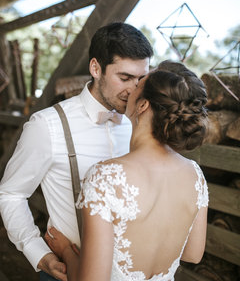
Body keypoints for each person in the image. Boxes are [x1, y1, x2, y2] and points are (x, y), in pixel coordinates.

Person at [0, 22, 153, 281]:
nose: (134, 89)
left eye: (141, 79)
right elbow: (11, 194)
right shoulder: (48, 125)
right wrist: (39, 253)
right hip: (69, 271)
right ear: (95, 68)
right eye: (125, 78)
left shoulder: (143, 121)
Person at [44, 60, 209, 281]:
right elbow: (193, 254)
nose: (131, 88)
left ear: (142, 105)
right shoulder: (195, 175)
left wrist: (65, 251)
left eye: (139, 84)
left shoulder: (104, 178)